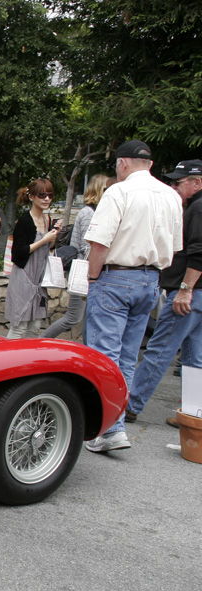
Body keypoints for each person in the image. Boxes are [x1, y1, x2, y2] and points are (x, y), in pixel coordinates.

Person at [82, 140, 183, 453]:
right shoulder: (171, 195)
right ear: (150, 165)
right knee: (126, 357)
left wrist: (93, 277)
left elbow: (100, 242)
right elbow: (175, 247)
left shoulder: (119, 191)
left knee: (104, 354)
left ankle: (109, 429)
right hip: (150, 279)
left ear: (122, 164)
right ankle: (116, 422)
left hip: (116, 276)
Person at [124, 159, 202, 427]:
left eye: (178, 182)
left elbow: (198, 253)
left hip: (190, 294)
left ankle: (130, 406)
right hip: (198, 294)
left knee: (159, 350)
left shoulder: (199, 207)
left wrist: (185, 289)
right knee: (195, 357)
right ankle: (193, 415)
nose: (173, 186)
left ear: (197, 182)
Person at [43, 173, 110, 338]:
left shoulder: (94, 212)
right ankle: (41, 341)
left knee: (89, 316)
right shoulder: (89, 213)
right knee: (73, 317)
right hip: (82, 271)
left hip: (86, 271)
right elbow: (87, 246)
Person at [5, 179, 59, 338]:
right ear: (31, 197)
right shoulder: (24, 221)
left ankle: (28, 361)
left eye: (50, 195)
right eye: (42, 195)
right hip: (23, 278)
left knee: (35, 328)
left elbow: (46, 250)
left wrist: (52, 239)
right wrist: (44, 240)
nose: (47, 199)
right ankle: (6, 361)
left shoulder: (47, 220)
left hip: (39, 281)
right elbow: (18, 252)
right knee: (19, 326)